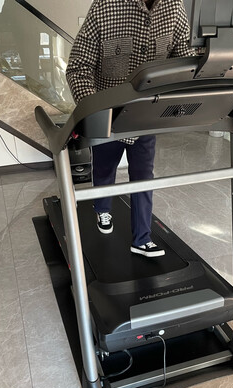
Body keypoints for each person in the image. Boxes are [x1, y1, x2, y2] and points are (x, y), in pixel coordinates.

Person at [66, 0, 196, 257]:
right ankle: (102, 209)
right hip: (109, 116)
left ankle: (142, 238)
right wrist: (94, 112)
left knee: (143, 176)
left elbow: (184, 59)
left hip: (147, 115)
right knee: (104, 169)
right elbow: (78, 66)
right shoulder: (105, 6)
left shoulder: (174, 7)